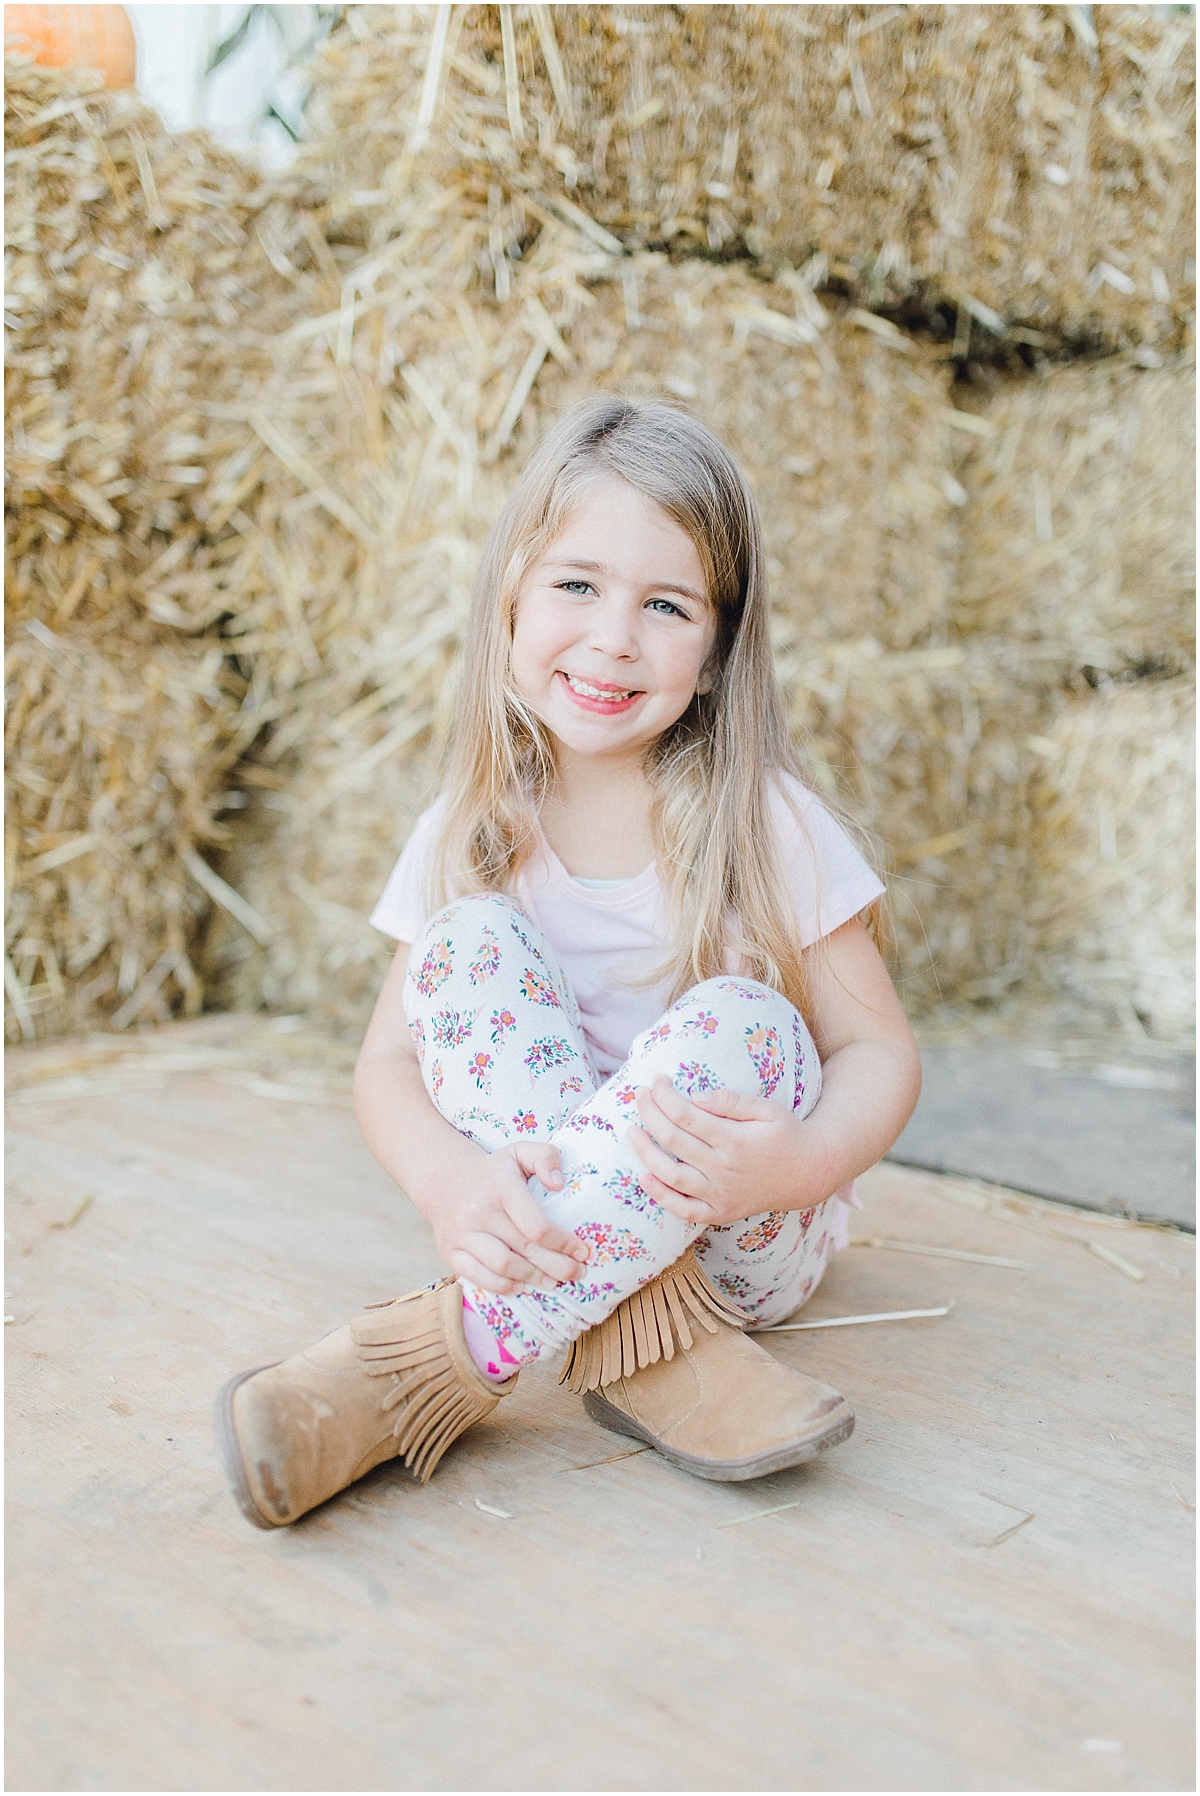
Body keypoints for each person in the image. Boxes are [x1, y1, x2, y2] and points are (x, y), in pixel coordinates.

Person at [215, 397, 922, 1530]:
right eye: (576, 585)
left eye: (666, 605)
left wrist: (800, 1163)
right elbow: (386, 1066)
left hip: (739, 1230)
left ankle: (420, 1366)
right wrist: (449, 1183)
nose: (614, 637)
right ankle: (659, 1350)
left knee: (741, 1017)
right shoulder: (472, 825)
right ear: (508, 604)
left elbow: (877, 1050)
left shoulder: (766, 822)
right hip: (539, 1232)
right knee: (464, 946)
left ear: (715, 652)